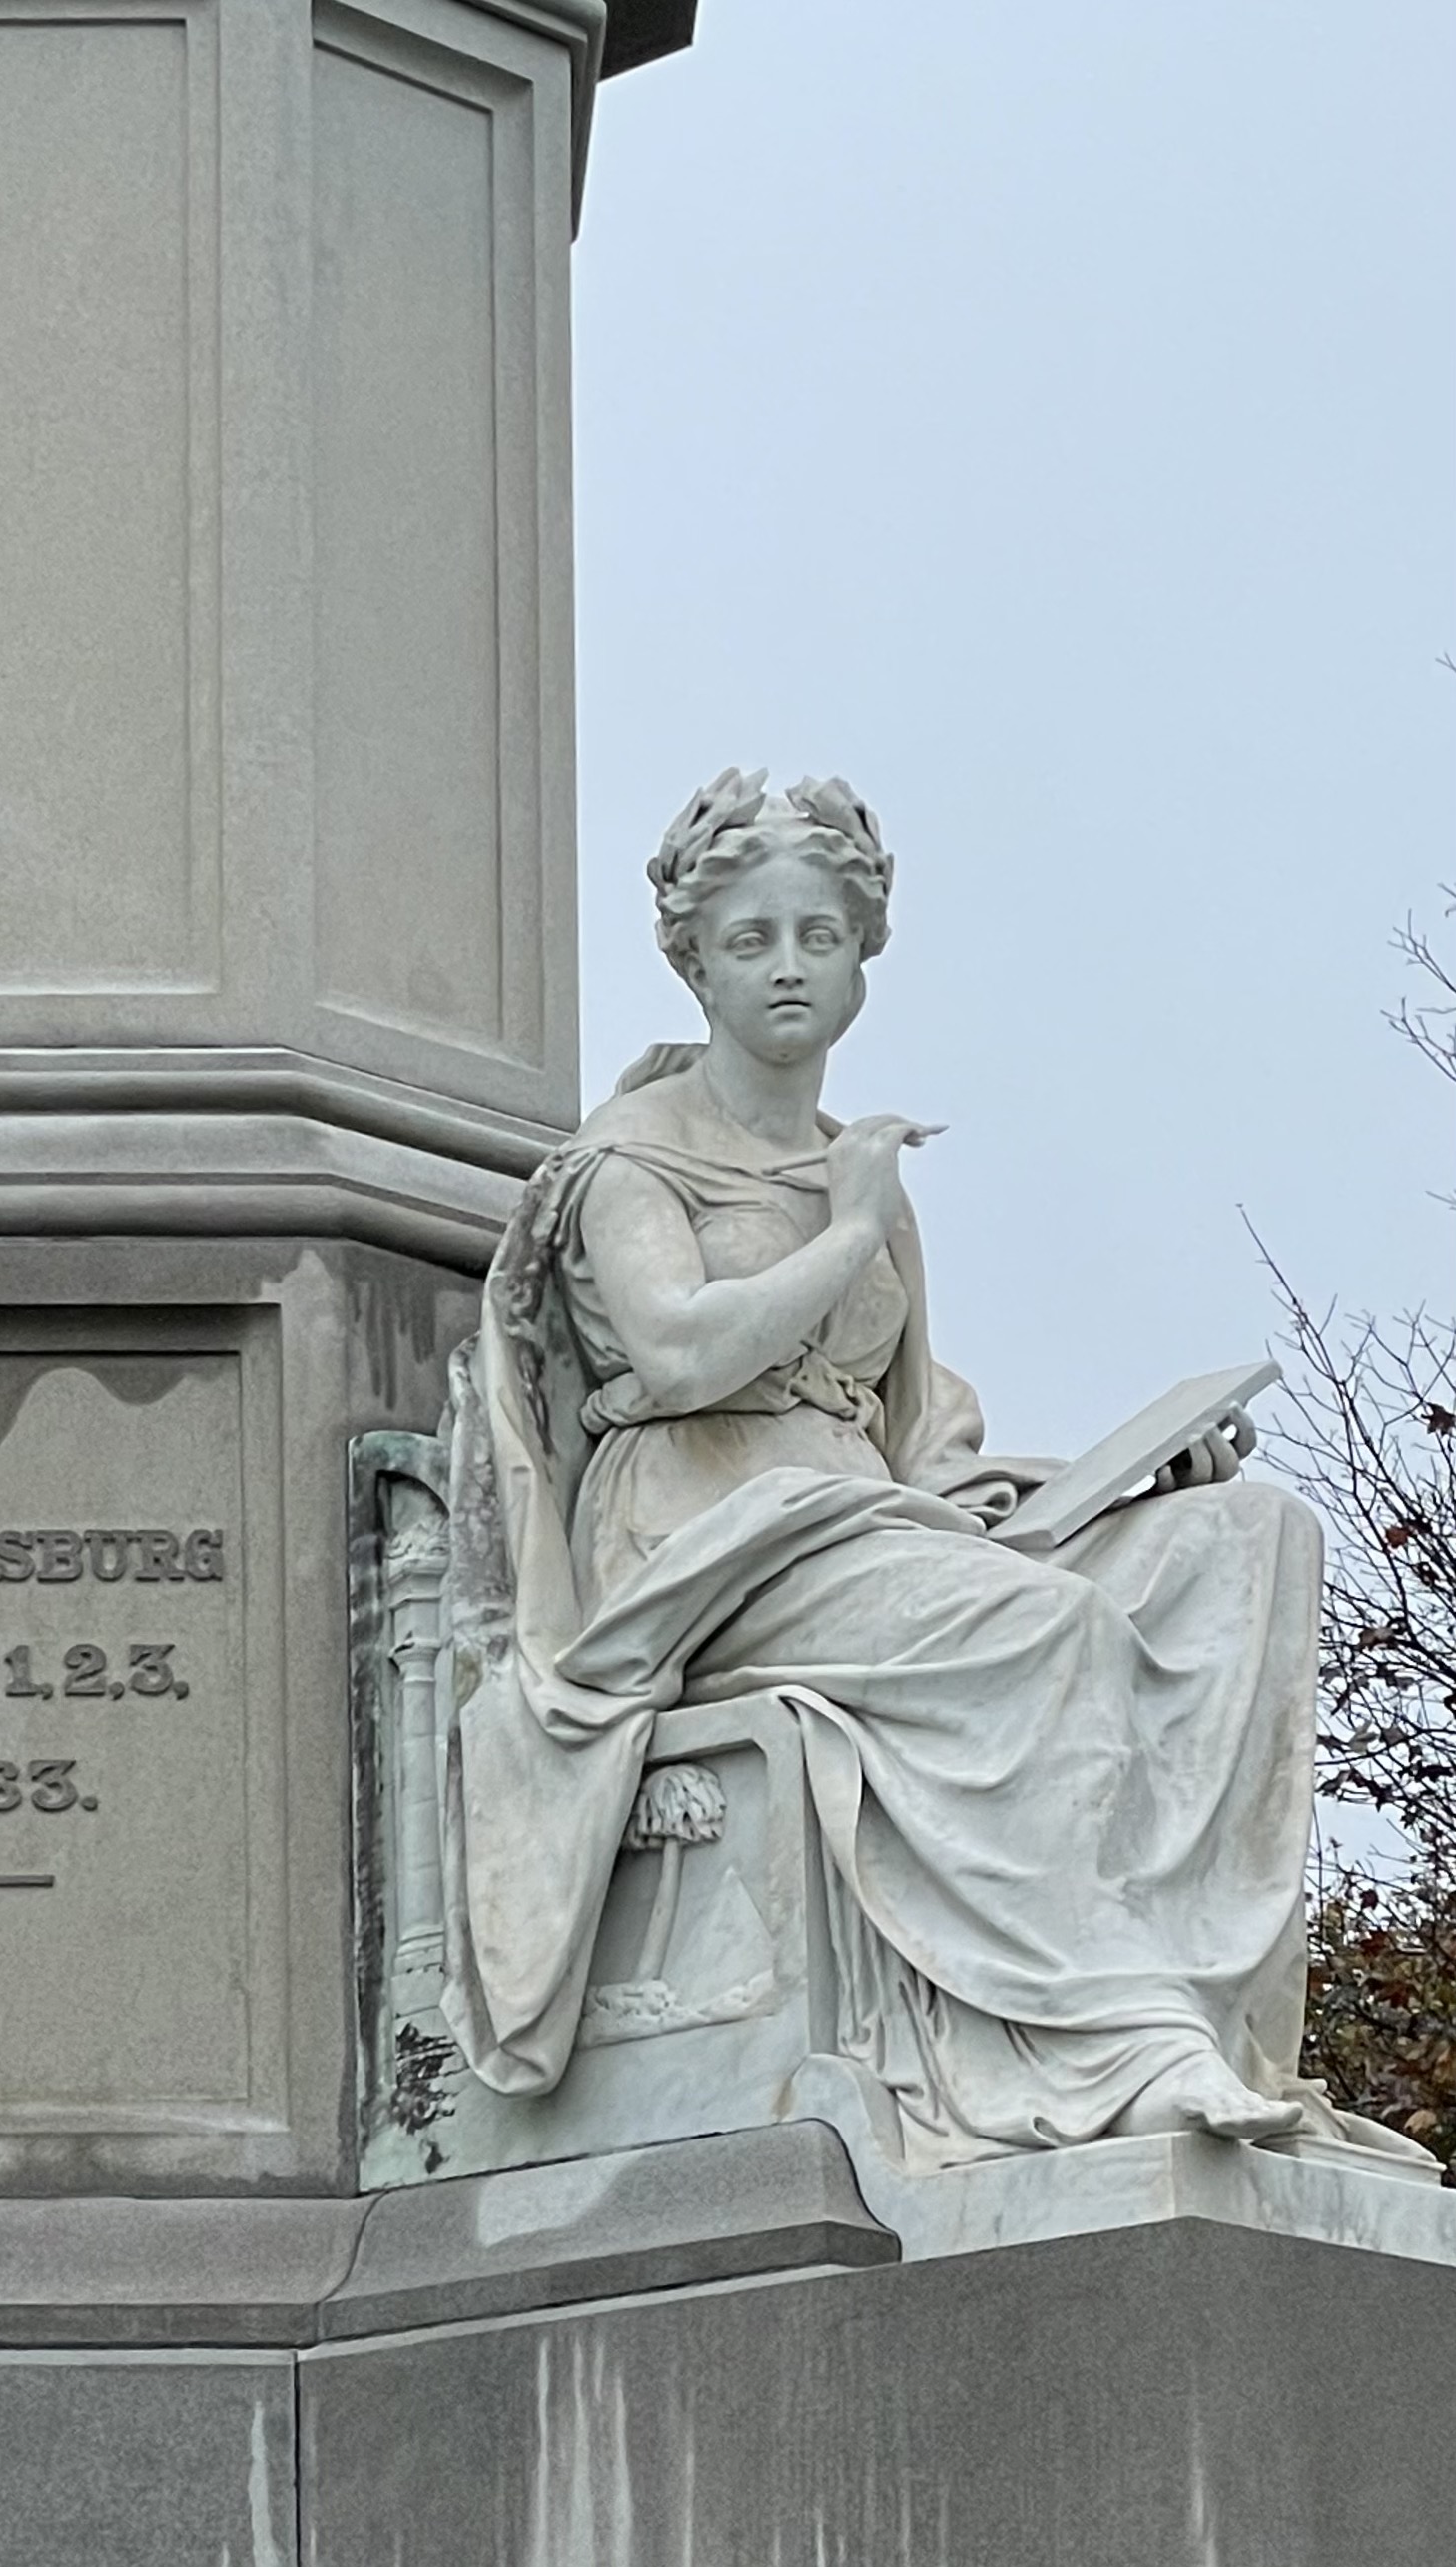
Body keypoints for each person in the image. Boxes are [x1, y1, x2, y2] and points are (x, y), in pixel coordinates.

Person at [441, 766, 1406, 2166]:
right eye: (751, 939)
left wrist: (1126, 1478)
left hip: (866, 1517)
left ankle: (1194, 1997)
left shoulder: (856, 1171)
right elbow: (679, 1355)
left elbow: (915, 1437)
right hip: (708, 1537)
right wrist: (847, 1228)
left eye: (817, 936)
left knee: (1243, 1542)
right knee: (1044, 1627)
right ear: (693, 964)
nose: (787, 966)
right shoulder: (631, 1162)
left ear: (860, 962)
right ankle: (1113, 2035)